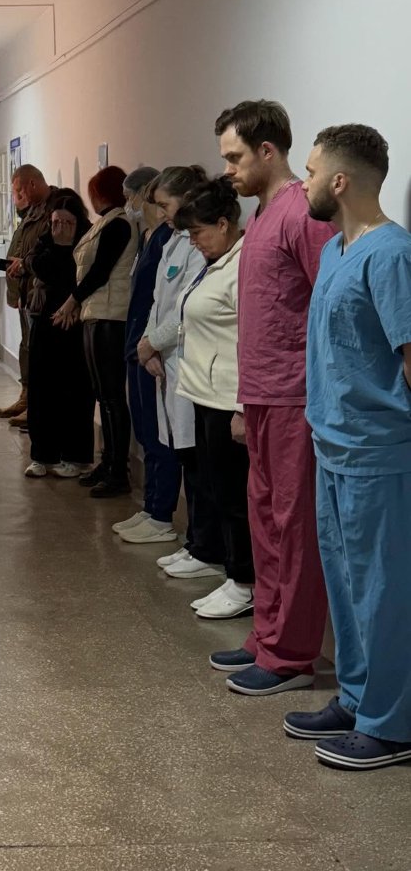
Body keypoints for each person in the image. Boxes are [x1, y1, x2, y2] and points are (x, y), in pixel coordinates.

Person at [283, 125, 411, 771]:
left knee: (383, 594)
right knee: (347, 588)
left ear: (339, 181)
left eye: (309, 172)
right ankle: (359, 698)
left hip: (377, 454)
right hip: (332, 446)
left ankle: (393, 725)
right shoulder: (336, 250)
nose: (301, 183)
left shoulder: (391, 255)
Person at [211, 100, 333, 695]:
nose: (228, 169)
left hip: (294, 397)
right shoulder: (260, 216)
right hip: (260, 395)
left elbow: (330, 304)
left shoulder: (302, 214)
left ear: (267, 150)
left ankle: (292, 654)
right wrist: (243, 400)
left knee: (293, 524)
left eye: (235, 157)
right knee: (263, 520)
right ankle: (266, 635)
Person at [173, 178, 254, 619]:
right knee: (217, 490)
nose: (194, 242)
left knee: (234, 496)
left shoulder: (242, 265)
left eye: (198, 233)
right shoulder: (216, 262)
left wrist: (242, 406)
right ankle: (232, 572)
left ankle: (245, 582)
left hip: (227, 400)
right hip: (205, 396)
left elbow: (252, 338)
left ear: (224, 224)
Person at [135, 167, 211, 571]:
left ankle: (204, 546)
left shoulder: (199, 245)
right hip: (165, 359)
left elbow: (186, 308)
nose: (162, 213)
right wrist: (147, 344)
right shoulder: (174, 240)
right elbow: (158, 301)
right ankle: (195, 541)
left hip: (187, 360)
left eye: (165, 204)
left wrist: (153, 343)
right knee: (181, 451)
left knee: (195, 459)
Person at [52, 167, 137, 498]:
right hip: (96, 313)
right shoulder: (106, 222)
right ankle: (108, 461)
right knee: (103, 395)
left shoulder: (119, 224)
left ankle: (118, 471)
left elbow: (100, 271)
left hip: (110, 317)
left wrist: (71, 301)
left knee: (112, 397)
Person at [117, 167, 184, 541]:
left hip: (154, 348)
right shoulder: (151, 237)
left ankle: (161, 513)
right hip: (139, 344)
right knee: (145, 430)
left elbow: (172, 305)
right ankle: (150, 506)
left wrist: (151, 343)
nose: (130, 204)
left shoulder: (170, 239)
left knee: (161, 435)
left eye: (132, 196)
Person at [23, 193, 94, 478]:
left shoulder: (88, 241)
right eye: (56, 221)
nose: (60, 227)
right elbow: (38, 266)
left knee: (74, 389)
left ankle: (75, 456)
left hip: (76, 321)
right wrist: (57, 244)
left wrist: (73, 304)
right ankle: (42, 455)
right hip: (45, 320)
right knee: (42, 388)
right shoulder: (45, 241)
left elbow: (80, 277)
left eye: (67, 222)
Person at [0, 166, 64, 430]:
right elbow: (23, 246)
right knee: (27, 347)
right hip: (26, 293)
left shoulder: (55, 210)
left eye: (18, 191)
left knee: (39, 352)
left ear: (32, 184)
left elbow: (45, 254)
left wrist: (25, 265)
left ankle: (38, 407)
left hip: (41, 293)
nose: (17, 197)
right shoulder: (32, 212)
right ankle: (27, 397)